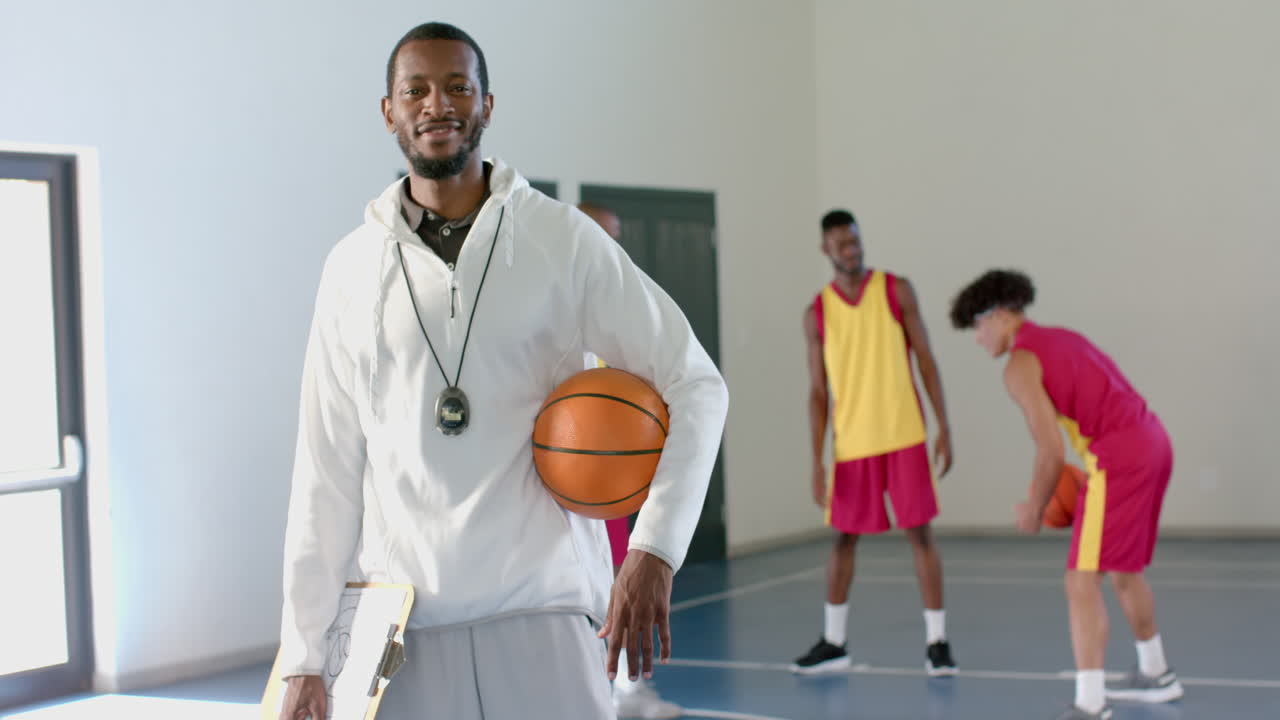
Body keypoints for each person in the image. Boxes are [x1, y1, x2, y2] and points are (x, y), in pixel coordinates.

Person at [276, 22, 728, 720]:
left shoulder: (560, 239)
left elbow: (695, 383)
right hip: (402, 633)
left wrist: (655, 548)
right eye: (415, 90)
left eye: (459, 86)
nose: (437, 105)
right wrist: (305, 656)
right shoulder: (350, 269)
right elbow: (325, 472)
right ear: (388, 110)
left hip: (542, 618)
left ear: (488, 105)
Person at [949, 269, 1183, 720]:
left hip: (1119, 460)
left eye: (978, 327)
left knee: (1079, 580)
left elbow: (1051, 451)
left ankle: (1090, 705)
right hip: (1153, 443)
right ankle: (1157, 673)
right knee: (1122, 568)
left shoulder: (1020, 365)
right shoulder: (1063, 338)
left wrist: (1035, 508)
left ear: (998, 315)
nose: (978, 339)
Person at [793, 209, 957, 676]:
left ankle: (938, 643)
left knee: (920, 534)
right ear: (826, 249)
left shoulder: (895, 289)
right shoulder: (817, 313)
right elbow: (818, 392)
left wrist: (944, 424)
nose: (852, 249)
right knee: (843, 540)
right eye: (842, 243)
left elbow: (925, 358)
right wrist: (817, 460)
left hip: (904, 433)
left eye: (856, 240)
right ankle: (834, 641)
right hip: (852, 444)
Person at [579, 201, 684, 719]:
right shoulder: (562, 304)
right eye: (605, 234)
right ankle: (609, 685)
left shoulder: (626, 307)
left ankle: (627, 686)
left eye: (618, 236)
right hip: (570, 475)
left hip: (611, 472)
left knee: (620, 575)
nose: (615, 246)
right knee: (586, 585)